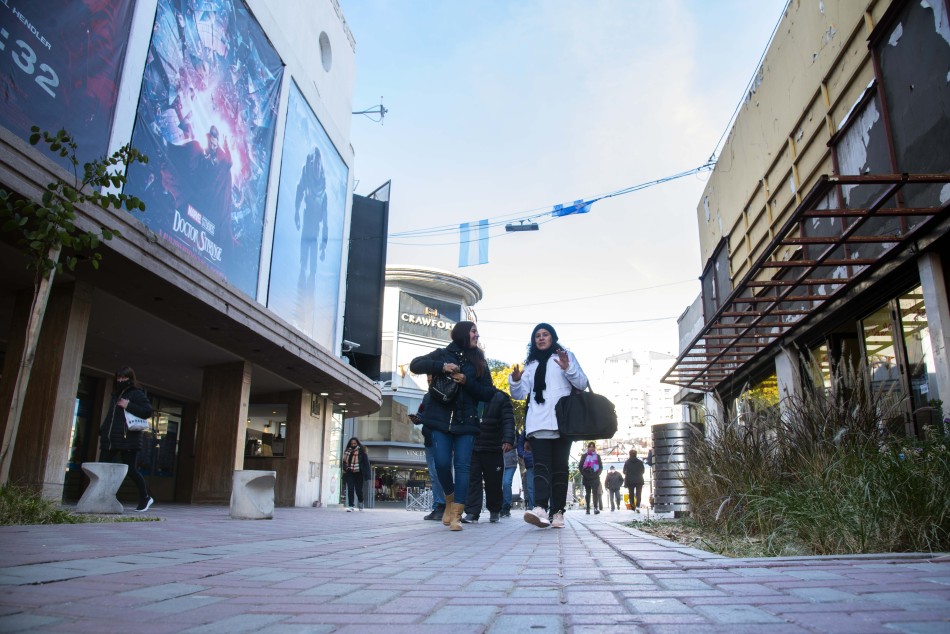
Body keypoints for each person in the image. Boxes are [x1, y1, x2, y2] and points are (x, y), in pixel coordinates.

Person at [409, 321, 495, 531]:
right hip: (440, 420)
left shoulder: (479, 361)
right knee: (441, 463)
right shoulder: (442, 354)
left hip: (467, 423)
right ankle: (449, 499)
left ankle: (457, 514)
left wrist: (467, 381)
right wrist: (441, 367)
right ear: (463, 333)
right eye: (474, 331)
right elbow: (415, 365)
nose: (477, 335)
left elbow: (488, 392)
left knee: (463, 466)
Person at [509, 323, 588, 529]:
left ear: (553, 337)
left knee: (560, 468)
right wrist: (516, 381)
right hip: (538, 423)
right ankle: (540, 509)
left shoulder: (564, 356)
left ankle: (558, 512)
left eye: (545, 334)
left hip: (563, 423)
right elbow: (518, 394)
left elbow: (582, 383)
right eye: (537, 336)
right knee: (541, 467)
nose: (541, 338)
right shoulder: (531, 364)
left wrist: (567, 368)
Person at [99, 366, 155, 512]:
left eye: (124, 378)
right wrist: (104, 431)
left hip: (128, 438)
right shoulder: (115, 394)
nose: (121, 380)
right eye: (119, 378)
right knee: (102, 468)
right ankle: (103, 498)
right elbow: (111, 417)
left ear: (130, 379)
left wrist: (128, 405)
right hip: (111, 438)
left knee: (131, 470)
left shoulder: (136, 393)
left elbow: (147, 411)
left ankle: (145, 498)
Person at [462, 389, 515, 524]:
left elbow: (508, 420)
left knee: (493, 482)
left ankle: (495, 509)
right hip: (472, 445)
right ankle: (472, 512)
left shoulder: (500, 397)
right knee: (472, 481)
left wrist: (508, 439)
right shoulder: (469, 394)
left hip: (493, 447)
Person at [294, 147, 329, 288]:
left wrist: (324, 246)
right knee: (304, 258)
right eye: (314, 163)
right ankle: (303, 273)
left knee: (312, 263)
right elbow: (299, 190)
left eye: (318, 164)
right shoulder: (306, 175)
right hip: (307, 219)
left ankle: (310, 277)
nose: (316, 166)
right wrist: (296, 211)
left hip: (315, 227)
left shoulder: (323, 193)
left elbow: (325, 222)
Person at [410, 389, 446, 521]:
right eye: (428, 380)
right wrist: (417, 419)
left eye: (431, 380)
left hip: (442, 439)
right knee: (433, 474)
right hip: (429, 440)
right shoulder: (427, 397)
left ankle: (445, 505)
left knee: (439, 473)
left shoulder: (446, 394)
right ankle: (439, 505)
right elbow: (421, 414)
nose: (429, 383)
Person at [342, 437, 372, 511]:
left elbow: (366, 464)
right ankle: (351, 506)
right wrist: (346, 468)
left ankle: (361, 502)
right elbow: (344, 463)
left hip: (359, 473)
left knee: (358, 490)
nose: (353, 445)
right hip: (349, 473)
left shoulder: (362, 452)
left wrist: (368, 475)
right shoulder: (347, 452)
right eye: (352, 443)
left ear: (357, 443)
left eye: (354, 443)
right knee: (350, 489)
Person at [579, 442, 604, 514]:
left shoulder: (597, 456)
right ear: (588, 448)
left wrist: (598, 473)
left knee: (595, 493)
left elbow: (601, 467)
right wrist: (583, 474)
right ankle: (587, 508)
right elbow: (580, 466)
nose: (591, 448)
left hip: (595, 476)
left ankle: (596, 508)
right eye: (590, 447)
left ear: (594, 448)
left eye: (593, 447)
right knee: (588, 493)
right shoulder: (584, 456)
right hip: (587, 476)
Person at [516, 429, 535, 509]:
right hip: (529, 463)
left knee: (539, 486)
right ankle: (532, 507)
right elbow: (519, 445)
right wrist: (524, 455)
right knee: (530, 487)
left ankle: (541, 506)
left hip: (541, 462)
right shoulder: (526, 431)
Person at [500, 439, 518, 518]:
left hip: (510, 463)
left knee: (506, 482)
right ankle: (498, 506)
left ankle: (506, 506)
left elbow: (518, 442)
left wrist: (509, 443)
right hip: (498, 462)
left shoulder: (512, 430)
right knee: (497, 484)